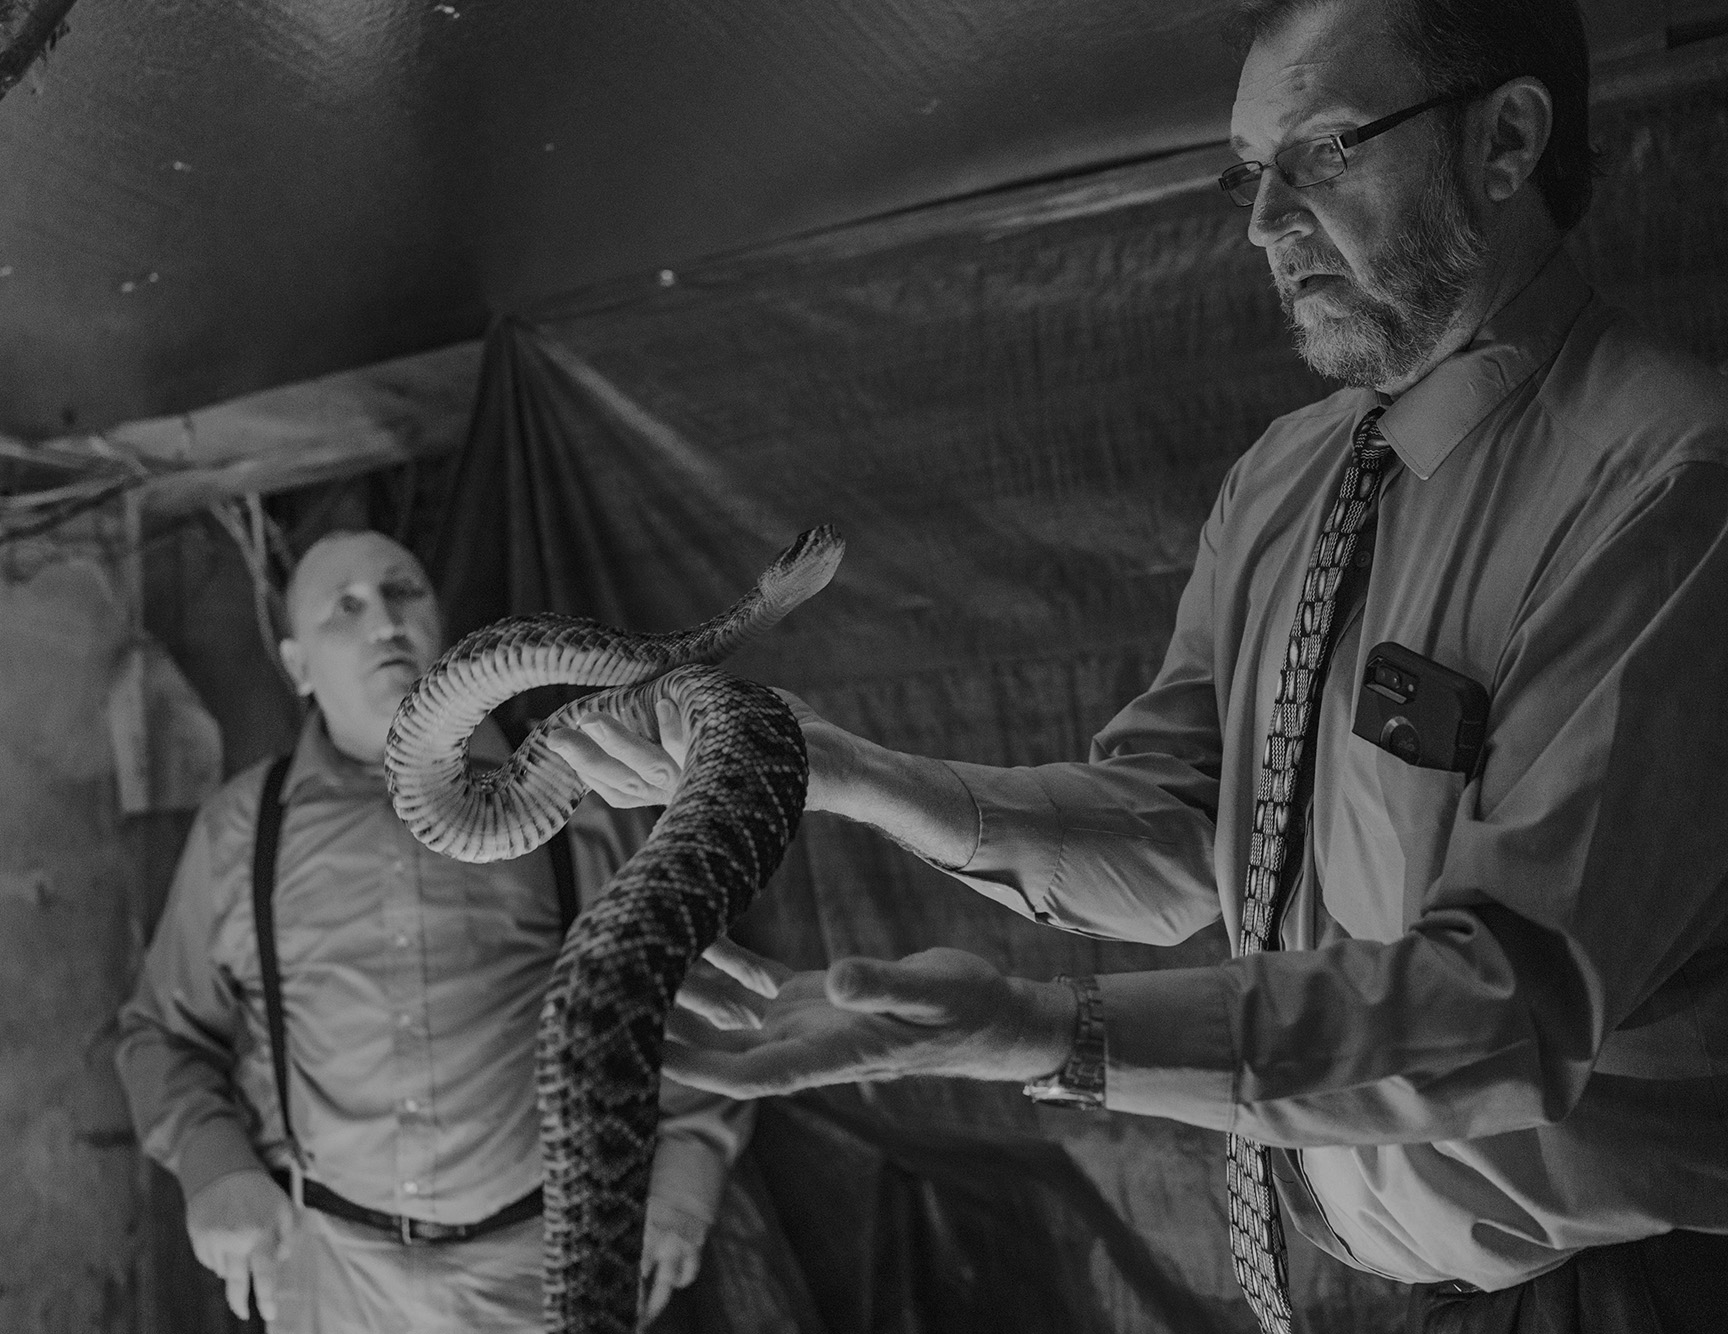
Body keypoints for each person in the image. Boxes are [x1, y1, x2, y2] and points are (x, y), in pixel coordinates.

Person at [553, 2, 1728, 1331]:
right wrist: (839, 770)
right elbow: (1184, 835)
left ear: (1507, 140)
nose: (1263, 224)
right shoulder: (1287, 478)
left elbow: (1507, 1004)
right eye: (1247, 171)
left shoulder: (1668, 485)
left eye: (1323, 154)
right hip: (1349, 1285)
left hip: (1611, 1292)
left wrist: (1042, 1029)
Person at [115, 530, 750, 1333]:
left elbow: (689, 988)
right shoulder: (240, 831)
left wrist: (685, 1179)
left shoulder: (573, 793)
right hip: (328, 1277)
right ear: (297, 664)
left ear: (443, 627)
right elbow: (160, 1034)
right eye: (343, 608)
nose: (382, 619)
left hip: (545, 1267)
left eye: (402, 592)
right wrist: (212, 1169)